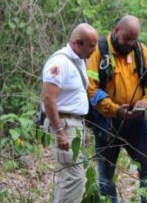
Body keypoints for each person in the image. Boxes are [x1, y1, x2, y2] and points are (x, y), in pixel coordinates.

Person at [86, 15, 147, 202]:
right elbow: (90, 89)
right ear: (117, 30)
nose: (130, 43)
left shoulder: (140, 51)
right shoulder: (99, 51)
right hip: (107, 123)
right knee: (106, 175)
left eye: (133, 39)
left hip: (136, 122)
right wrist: (115, 109)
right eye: (126, 39)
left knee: (146, 170)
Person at [41, 23, 98, 203]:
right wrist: (59, 132)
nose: (94, 50)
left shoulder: (78, 61)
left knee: (67, 178)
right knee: (75, 178)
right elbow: (48, 98)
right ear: (77, 42)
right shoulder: (59, 62)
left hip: (74, 125)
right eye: (91, 46)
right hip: (64, 125)